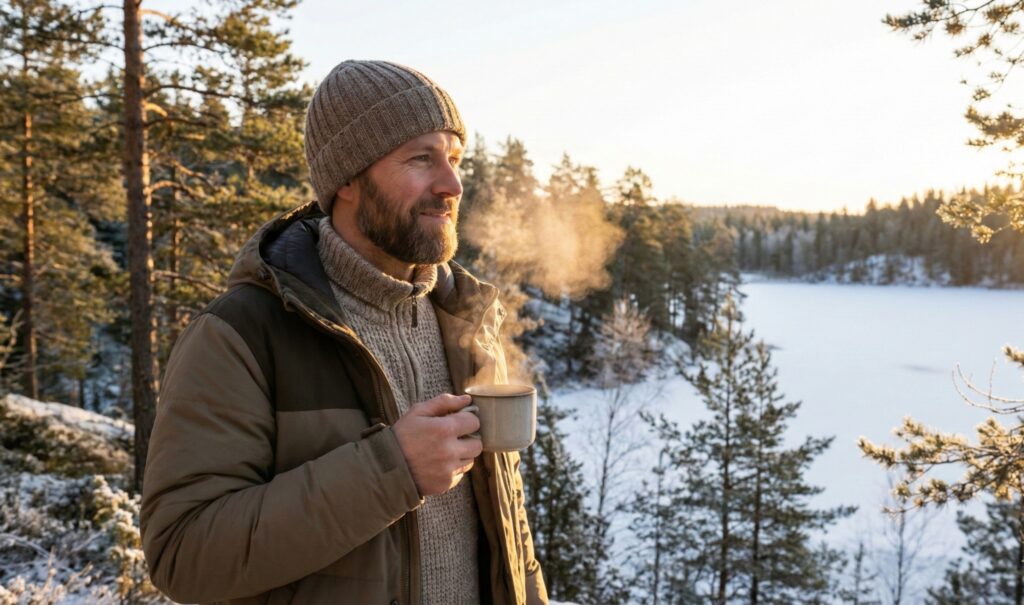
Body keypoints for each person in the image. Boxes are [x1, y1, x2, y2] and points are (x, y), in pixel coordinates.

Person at [140, 60, 548, 605]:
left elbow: (510, 533)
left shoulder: (466, 320)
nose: (451, 184)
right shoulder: (241, 336)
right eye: (421, 158)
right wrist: (391, 470)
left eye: (454, 158)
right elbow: (184, 557)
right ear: (349, 180)